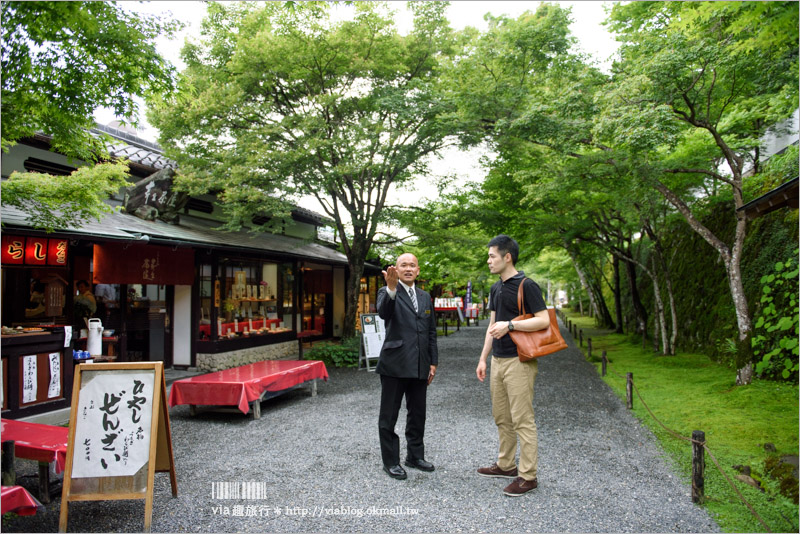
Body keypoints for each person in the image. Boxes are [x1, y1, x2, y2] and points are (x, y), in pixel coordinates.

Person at [476, 235, 550, 497]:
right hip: (497, 360)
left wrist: (511, 325)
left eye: (492, 256)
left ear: (507, 257)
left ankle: (528, 477)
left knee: (522, 420)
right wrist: (483, 358)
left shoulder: (527, 285)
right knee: (502, 417)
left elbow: (543, 321)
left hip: (520, 360)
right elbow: (491, 326)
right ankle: (506, 465)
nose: (488, 261)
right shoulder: (496, 288)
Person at [376, 253, 438, 480]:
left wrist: (433, 361)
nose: (408, 269)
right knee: (389, 415)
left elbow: (431, 331)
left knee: (417, 414)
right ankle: (390, 461)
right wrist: (391, 289)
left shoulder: (424, 296)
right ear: (396, 269)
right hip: (394, 364)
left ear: (418, 270)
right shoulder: (386, 291)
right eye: (404, 265)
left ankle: (415, 456)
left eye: (412, 265)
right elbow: (384, 313)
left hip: (420, 364)